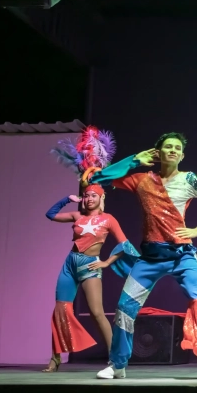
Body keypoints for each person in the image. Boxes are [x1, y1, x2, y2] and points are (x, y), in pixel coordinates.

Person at [88, 132, 197, 380]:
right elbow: (98, 179)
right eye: (168, 147)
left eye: (177, 148)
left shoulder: (189, 179)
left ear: (182, 156)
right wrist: (134, 160)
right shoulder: (141, 180)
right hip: (150, 258)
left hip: (182, 256)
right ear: (158, 153)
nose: (173, 150)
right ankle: (118, 364)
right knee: (124, 308)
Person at [43, 126, 137, 372]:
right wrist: (68, 199)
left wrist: (106, 263)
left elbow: (125, 245)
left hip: (90, 266)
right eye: (86, 196)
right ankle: (55, 358)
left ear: (101, 198)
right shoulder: (77, 215)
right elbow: (50, 215)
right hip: (70, 264)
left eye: (93, 196)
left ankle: (116, 358)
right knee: (61, 310)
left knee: (97, 312)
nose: (88, 198)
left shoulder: (108, 219)